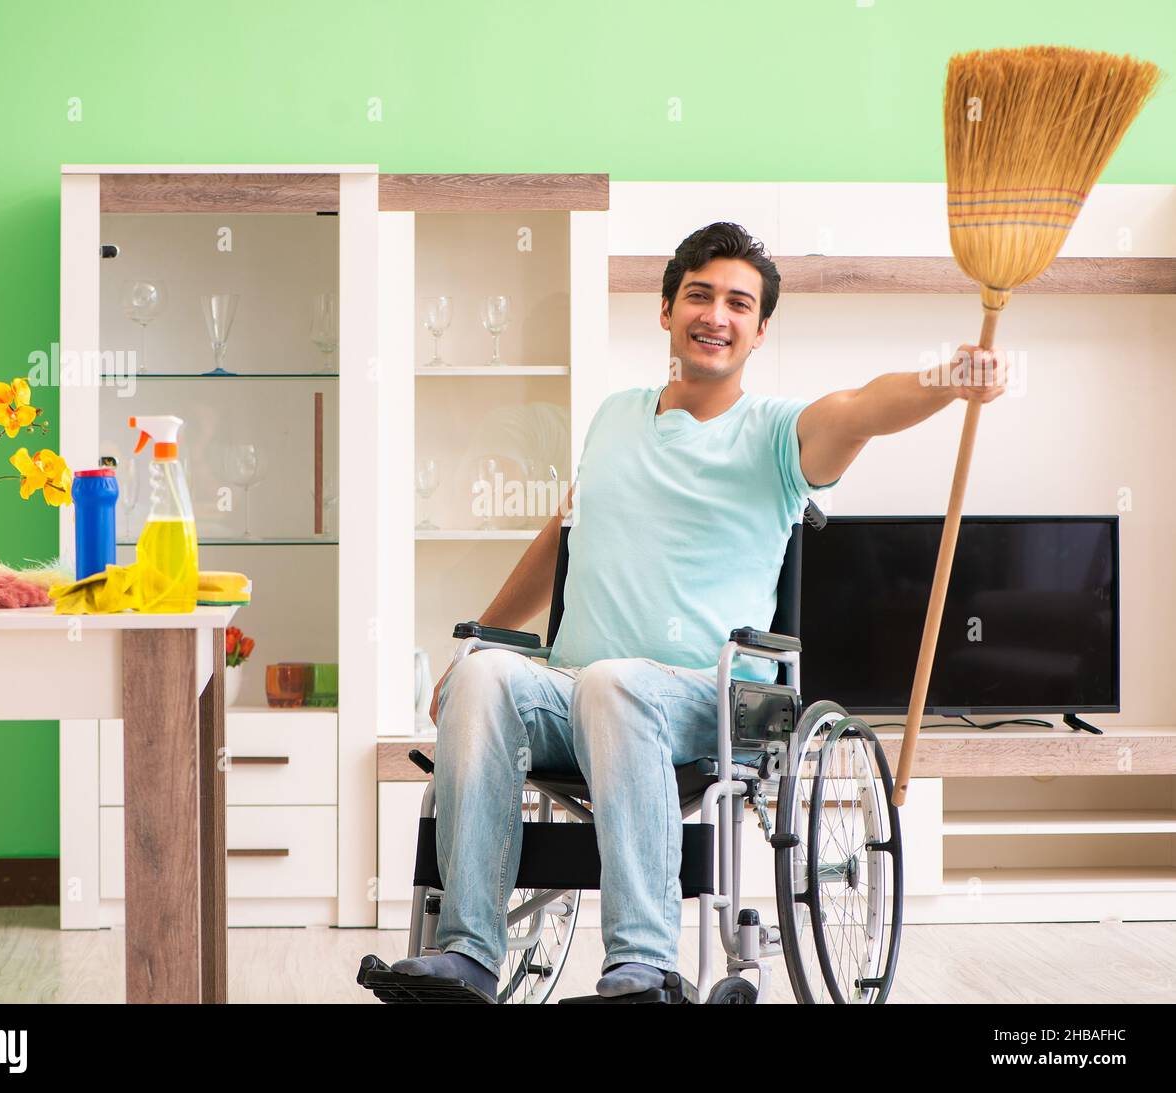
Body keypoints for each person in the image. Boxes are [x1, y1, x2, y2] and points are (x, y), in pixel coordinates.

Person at [392, 221, 1007, 1000]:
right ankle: (472, 954)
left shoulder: (779, 435)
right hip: (573, 689)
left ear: (759, 330)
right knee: (484, 678)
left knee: (614, 683)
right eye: (700, 295)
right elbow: (563, 538)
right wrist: (479, 639)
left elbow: (860, 409)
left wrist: (947, 378)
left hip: (706, 701)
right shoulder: (614, 415)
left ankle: (643, 962)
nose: (716, 314)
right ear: (666, 311)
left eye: (738, 303)